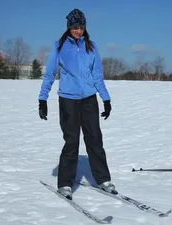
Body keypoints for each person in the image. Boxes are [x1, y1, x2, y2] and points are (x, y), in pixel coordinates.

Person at [37, 8, 116, 200]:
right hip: (68, 100)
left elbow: (97, 74)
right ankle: (65, 183)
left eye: (81, 27)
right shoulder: (60, 46)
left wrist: (105, 98)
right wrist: (43, 98)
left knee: (95, 138)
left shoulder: (91, 46)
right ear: (68, 27)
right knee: (71, 141)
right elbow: (49, 73)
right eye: (74, 27)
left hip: (89, 99)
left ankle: (103, 179)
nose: (78, 31)